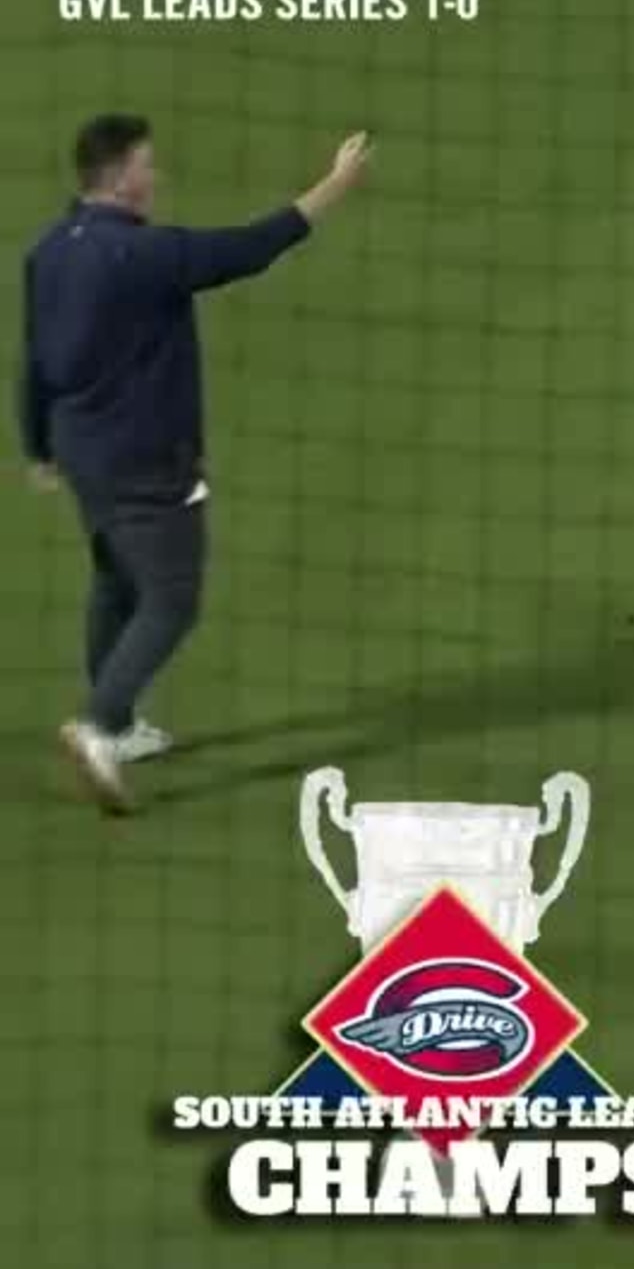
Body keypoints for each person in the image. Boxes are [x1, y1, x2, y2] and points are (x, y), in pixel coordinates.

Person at [21, 116, 371, 811]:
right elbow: (251, 248)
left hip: (81, 451)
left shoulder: (51, 251)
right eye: (147, 166)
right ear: (119, 176)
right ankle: (97, 725)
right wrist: (334, 185)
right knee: (173, 598)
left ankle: (115, 725)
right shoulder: (149, 256)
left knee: (117, 577)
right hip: (148, 462)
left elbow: (32, 360)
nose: (155, 177)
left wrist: (36, 447)